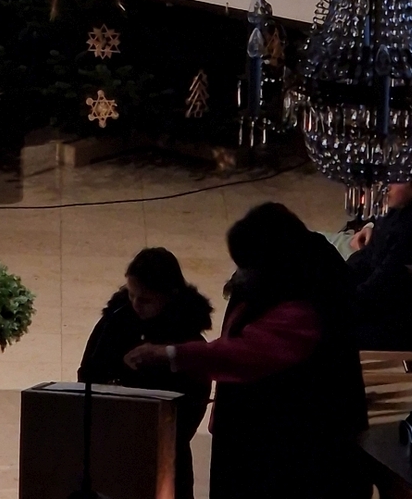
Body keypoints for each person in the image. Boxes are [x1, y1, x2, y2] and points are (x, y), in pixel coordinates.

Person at [125, 204, 369, 499]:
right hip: (266, 433)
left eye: (248, 265)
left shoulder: (312, 297)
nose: (241, 273)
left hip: (297, 447)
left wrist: (171, 354)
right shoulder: (285, 273)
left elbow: (245, 353)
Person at [77, 248, 212, 499]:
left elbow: (195, 399)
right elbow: (89, 373)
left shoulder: (187, 340)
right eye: (131, 295)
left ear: (169, 296)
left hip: (166, 451)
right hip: (113, 445)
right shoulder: (114, 321)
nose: (135, 305)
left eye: (146, 299)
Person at [345, 177, 412, 350]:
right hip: (373, 294)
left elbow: (382, 283)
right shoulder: (397, 207)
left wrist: (340, 302)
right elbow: (369, 254)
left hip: (391, 320)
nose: (383, 185)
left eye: (393, 180)